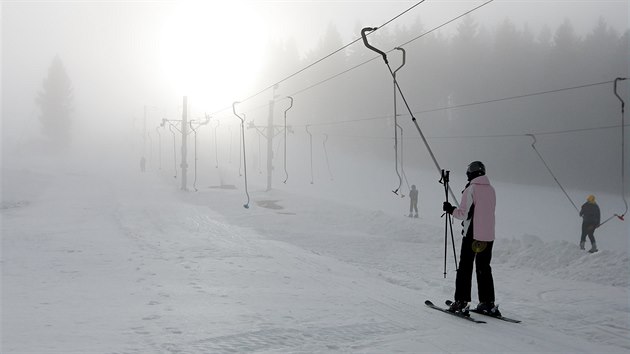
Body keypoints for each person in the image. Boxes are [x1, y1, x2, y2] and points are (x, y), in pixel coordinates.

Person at [442, 161, 501, 317]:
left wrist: (450, 209)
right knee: (484, 268)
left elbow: (464, 214)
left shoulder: (471, 189)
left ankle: (461, 302)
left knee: (465, 268)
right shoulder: (491, 189)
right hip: (488, 236)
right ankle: (488, 303)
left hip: (473, 236)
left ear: (471, 173)